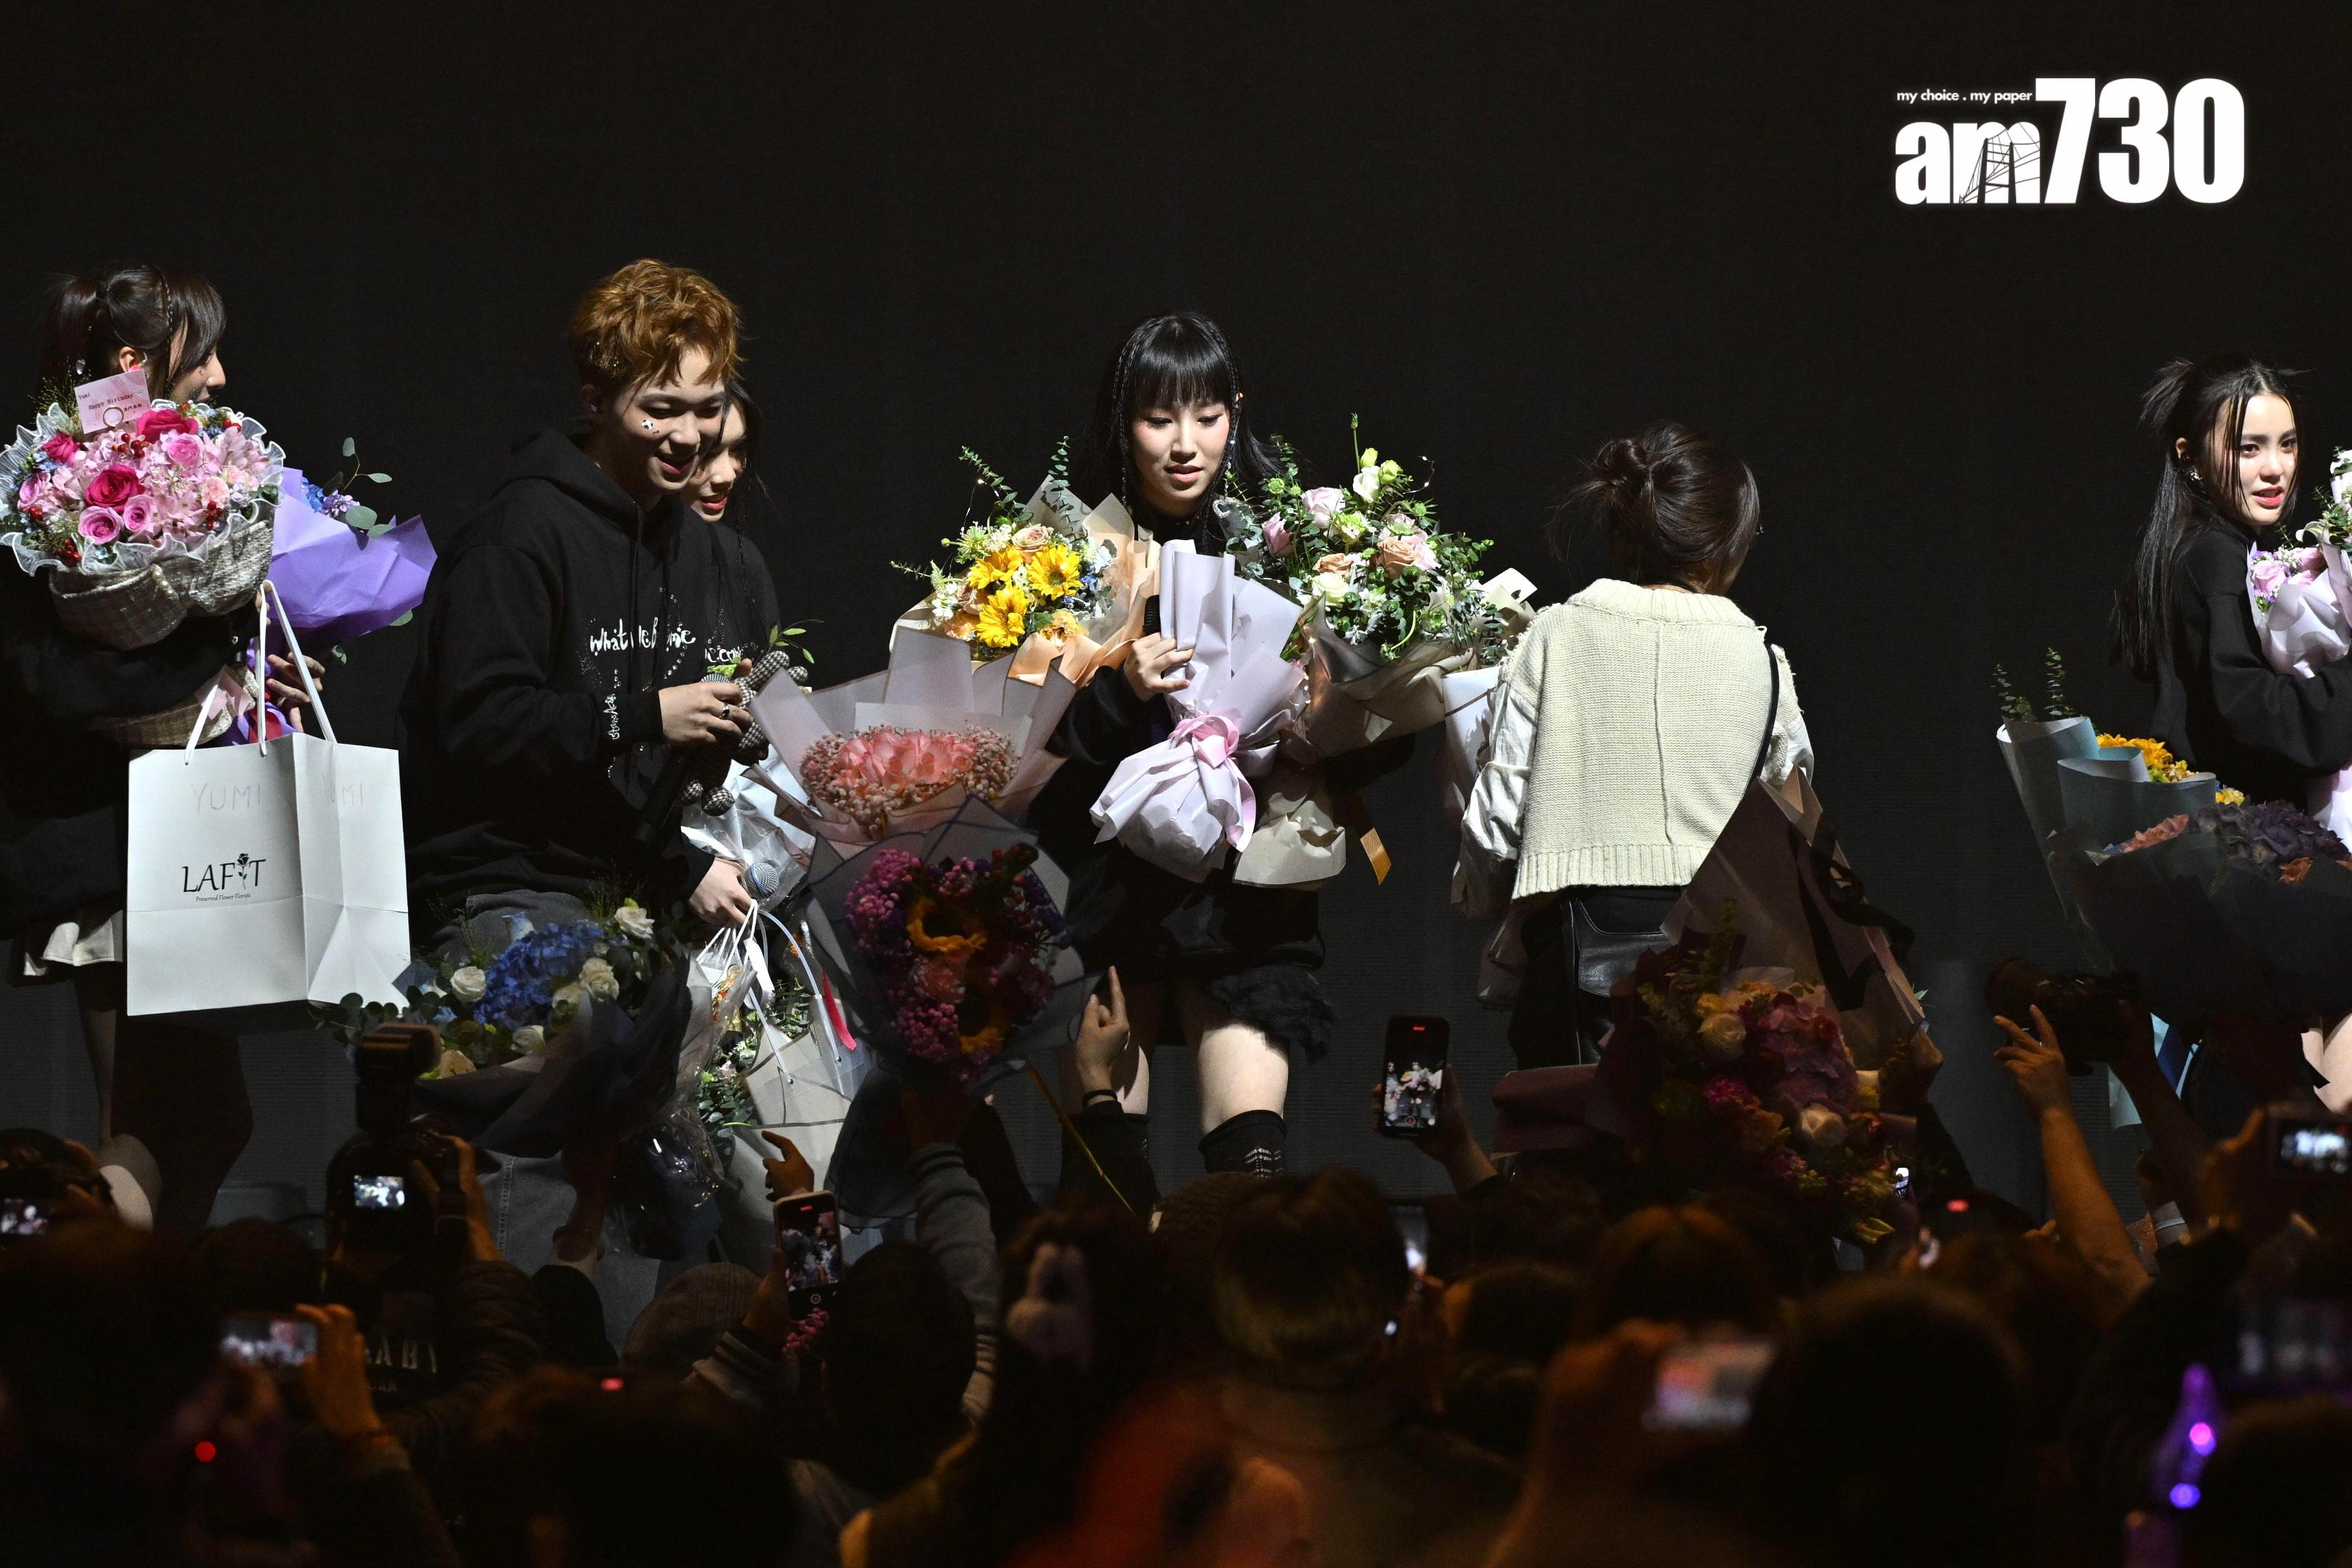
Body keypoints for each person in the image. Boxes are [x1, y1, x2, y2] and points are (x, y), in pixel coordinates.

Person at [399, 261, 780, 1281]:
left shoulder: (699, 552)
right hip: (503, 888)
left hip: (632, 895)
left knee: (639, 1173)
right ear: (595, 399)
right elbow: (477, 723)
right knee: (526, 1140)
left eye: (708, 408)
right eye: (661, 409)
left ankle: (610, 1350)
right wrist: (645, 713)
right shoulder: (523, 532)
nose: (689, 437)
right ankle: (510, 1349)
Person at [1, 264, 319, 1236]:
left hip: (160, 848)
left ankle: (140, 1306)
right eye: (203, 353)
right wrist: (208, 685)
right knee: (150, 1123)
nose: (218, 376)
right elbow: (56, 679)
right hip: (115, 854)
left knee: (206, 1123)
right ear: (136, 359)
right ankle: (81, 1298)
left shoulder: (136, 460)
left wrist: (247, 665)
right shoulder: (50, 488)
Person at [1031, 311, 1326, 1178]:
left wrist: (1323, 715)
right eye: (1160, 418)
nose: (1186, 444)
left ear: (1238, 413)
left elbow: (1367, 736)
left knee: (1253, 1171)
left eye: (1208, 416)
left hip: (1243, 896)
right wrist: (1121, 690)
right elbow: (1033, 749)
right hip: (1112, 888)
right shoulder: (1073, 556)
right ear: (1122, 424)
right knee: (1107, 1175)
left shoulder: (1286, 550)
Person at [1460, 423, 1813, 1068]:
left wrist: (1484, 904)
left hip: (1576, 952)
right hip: (1725, 967)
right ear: (1728, 541)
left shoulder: (1556, 635)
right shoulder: (1764, 663)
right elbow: (1790, 836)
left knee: (1571, 1127)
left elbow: (1497, 820)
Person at [2115, 354, 2350, 811]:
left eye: (2287, 444)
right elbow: (2253, 714)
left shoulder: (2194, 542)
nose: (2275, 468)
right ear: (2190, 455)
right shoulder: (2212, 553)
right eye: (2248, 448)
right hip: (2235, 831)